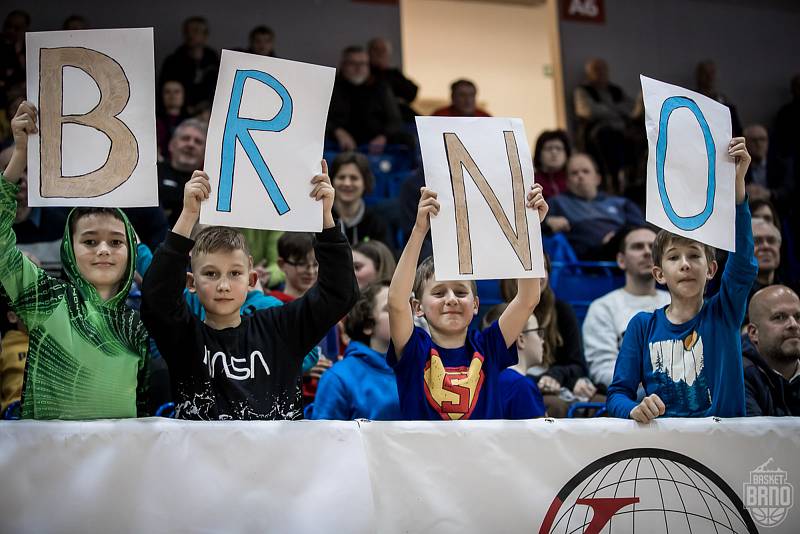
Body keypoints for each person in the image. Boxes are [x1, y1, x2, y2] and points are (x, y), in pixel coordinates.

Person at [140, 163, 359, 420]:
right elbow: (156, 298)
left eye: (235, 273)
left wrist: (325, 220)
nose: (223, 285)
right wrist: (188, 215)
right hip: (203, 460)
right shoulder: (183, 337)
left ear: (252, 279)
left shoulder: (280, 329)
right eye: (211, 274)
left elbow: (339, 293)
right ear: (190, 283)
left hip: (277, 459)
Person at [1, 102, 149, 419]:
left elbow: (143, 407)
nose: (104, 250)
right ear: (68, 249)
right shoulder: (45, 298)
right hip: (49, 462)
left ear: (131, 252)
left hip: (114, 462)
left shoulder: (137, 325)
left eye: (116, 241)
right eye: (90, 241)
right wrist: (20, 155)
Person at [606, 137, 756, 422]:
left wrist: (737, 190)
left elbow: (744, 265)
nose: (685, 265)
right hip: (668, 454)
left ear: (711, 269)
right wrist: (634, 409)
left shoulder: (724, 311)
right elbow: (616, 396)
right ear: (659, 274)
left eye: (694, 256)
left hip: (726, 447)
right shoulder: (642, 326)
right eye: (674, 257)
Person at [386, 184, 546, 420]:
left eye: (460, 292)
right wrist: (420, 230)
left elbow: (528, 299)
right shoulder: (414, 349)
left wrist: (530, 231)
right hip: (423, 458)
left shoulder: (489, 346)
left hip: (480, 458)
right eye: (439, 293)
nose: (451, 299)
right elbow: (395, 302)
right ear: (417, 307)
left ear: (476, 305)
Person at [502, 257, 600, 418]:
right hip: (523, 387)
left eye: (544, 268)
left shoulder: (562, 311)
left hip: (561, 385)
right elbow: (499, 372)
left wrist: (555, 377)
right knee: (556, 406)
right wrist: (542, 382)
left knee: (602, 401)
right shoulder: (500, 316)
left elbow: (578, 365)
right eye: (531, 268)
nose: (539, 275)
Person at [583, 227, 671, 389]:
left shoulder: (678, 301)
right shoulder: (603, 307)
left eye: (652, 247)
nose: (646, 252)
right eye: (638, 247)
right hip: (633, 397)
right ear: (621, 260)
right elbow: (602, 369)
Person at [313, 281, 401, 420]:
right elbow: (324, 438)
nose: (404, 313)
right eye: (391, 308)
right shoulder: (339, 377)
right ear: (367, 325)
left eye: (408, 305)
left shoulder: (425, 368)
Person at [545, 153, 645, 259]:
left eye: (585, 171)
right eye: (574, 173)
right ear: (567, 182)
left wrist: (615, 236)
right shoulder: (557, 203)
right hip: (588, 258)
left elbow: (641, 230)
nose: (580, 176)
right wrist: (548, 222)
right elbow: (534, 227)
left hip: (625, 248)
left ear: (598, 178)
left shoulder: (622, 203)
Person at [326, 46, 405, 152]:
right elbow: (319, 117)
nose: (358, 68)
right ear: (343, 65)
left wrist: (383, 137)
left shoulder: (381, 88)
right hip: (336, 147)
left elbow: (395, 120)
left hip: (378, 149)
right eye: (353, 63)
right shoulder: (330, 87)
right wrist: (337, 131)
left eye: (363, 63)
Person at [573, 58, 634, 185]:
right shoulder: (583, 90)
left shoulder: (615, 90)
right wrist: (616, 110)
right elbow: (588, 111)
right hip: (596, 132)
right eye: (596, 70)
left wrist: (605, 108)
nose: (601, 72)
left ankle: (630, 180)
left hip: (622, 130)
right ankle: (610, 180)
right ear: (589, 73)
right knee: (608, 138)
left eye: (603, 69)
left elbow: (631, 108)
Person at [743, 285, 800, 416]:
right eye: (780, 317)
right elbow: (754, 435)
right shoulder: (737, 376)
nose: (794, 325)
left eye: (798, 317)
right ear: (754, 333)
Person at [482, 303, 546, 419]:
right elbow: (539, 436)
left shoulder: (481, 379)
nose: (542, 340)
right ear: (521, 339)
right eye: (538, 332)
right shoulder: (522, 387)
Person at [159, 17, 219, 116]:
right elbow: (165, 92)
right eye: (187, 31)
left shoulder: (213, 60)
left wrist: (207, 105)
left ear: (205, 35)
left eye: (196, 30)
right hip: (179, 115)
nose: (190, 34)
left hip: (209, 114)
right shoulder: (173, 61)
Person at [330, 151, 390, 245]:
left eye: (354, 178)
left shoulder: (376, 223)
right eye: (341, 177)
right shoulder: (321, 219)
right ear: (332, 181)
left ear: (365, 182)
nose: (347, 183)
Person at [158, 118, 207, 227]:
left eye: (198, 142)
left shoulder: (210, 184)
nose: (191, 144)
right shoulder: (153, 174)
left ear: (205, 152)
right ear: (171, 145)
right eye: (185, 138)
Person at [742, 124, 793, 215]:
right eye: (754, 140)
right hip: (747, 212)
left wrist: (769, 194)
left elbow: (789, 191)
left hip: (776, 212)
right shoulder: (736, 166)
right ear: (745, 143)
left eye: (762, 139)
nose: (759, 144)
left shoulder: (781, 165)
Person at [367, 37, 417, 123]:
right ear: (369, 53)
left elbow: (411, 92)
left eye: (383, 50)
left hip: (403, 114)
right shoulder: (364, 72)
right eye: (376, 50)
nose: (380, 53)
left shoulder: (393, 73)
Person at [695, 60, 742, 136]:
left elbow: (736, 131)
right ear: (698, 75)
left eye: (712, 73)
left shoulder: (725, 102)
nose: (709, 77)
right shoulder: (690, 100)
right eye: (705, 73)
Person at [533, 130, 571, 199]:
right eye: (548, 148)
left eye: (559, 148)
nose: (554, 152)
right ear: (539, 154)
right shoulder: (531, 181)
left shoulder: (573, 179)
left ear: (567, 154)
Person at [156, 80, 188, 160]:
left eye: (176, 92)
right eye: (167, 92)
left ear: (183, 95)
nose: (172, 95)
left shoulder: (192, 124)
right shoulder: (154, 123)